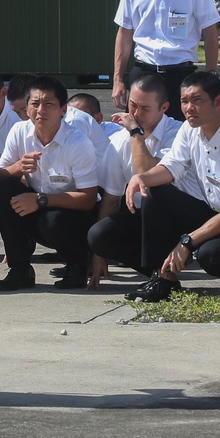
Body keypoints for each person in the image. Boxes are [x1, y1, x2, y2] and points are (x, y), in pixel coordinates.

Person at [124, 71, 220, 302]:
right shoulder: (190, 129)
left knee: (210, 255)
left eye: (197, 101)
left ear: (218, 102)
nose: (189, 108)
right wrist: (142, 178)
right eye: (184, 101)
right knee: (156, 191)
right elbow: (172, 167)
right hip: (211, 210)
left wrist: (187, 242)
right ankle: (164, 280)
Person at [0, 75, 99, 291]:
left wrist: (41, 200)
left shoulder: (78, 143)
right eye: (35, 104)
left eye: (48, 104)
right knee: (3, 190)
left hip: (72, 217)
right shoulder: (19, 132)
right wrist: (18, 167)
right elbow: (0, 174)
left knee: (54, 219)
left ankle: (77, 266)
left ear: (63, 110)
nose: (41, 110)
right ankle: (20, 269)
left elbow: (88, 199)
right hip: (38, 209)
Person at [112, 0, 220, 121]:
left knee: (182, 136)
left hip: (180, 73)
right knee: (139, 133)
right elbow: (125, 33)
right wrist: (118, 79)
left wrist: (211, 74)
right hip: (144, 71)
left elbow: (210, 30)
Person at [87, 72, 182, 291]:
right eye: (132, 105)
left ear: (164, 107)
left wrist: (135, 132)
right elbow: (111, 198)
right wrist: (99, 255)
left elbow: (148, 173)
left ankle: (168, 271)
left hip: (177, 218)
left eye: (145, 108)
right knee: (98, 234)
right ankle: (161, 273)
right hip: (142, 218)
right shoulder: (120, 140)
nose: (135, 114)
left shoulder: (178, 134)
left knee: (153, 194)